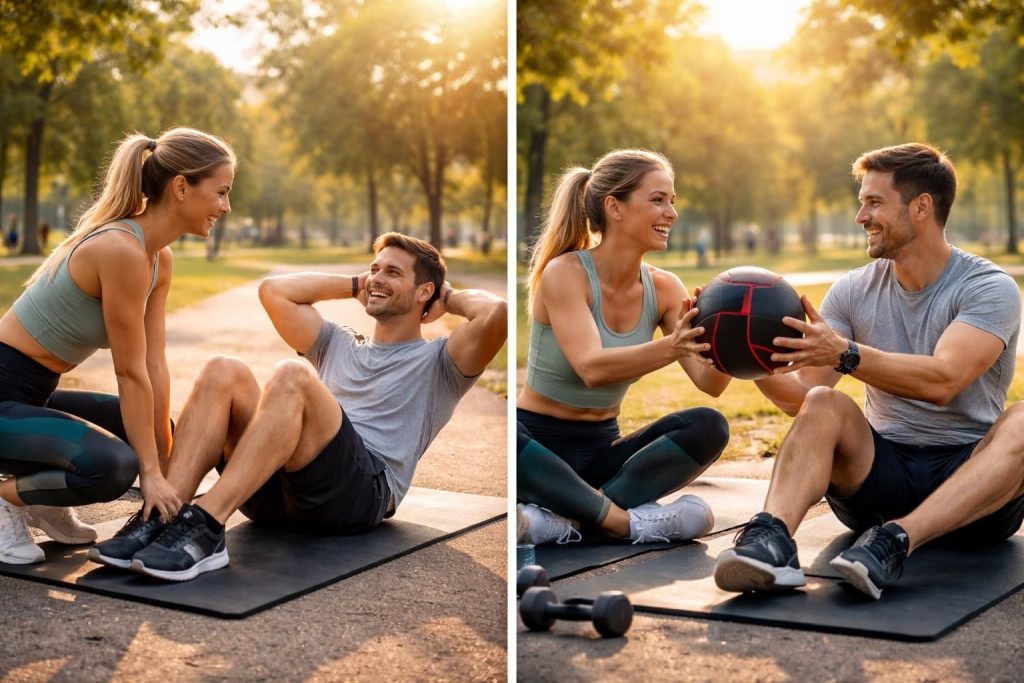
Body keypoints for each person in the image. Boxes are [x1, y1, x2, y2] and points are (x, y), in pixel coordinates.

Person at [88, 232, 507, 581]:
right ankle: (160, 516)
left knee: (293, 374)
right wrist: (359, 284)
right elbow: (274, 291)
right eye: (375, 268)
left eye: (392, 273)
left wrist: (446, 297)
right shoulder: (338, 342)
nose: (377, 278)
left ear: (424, 291)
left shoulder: (441, 362)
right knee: (224, 369)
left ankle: (206, 526)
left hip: (359, 497)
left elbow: (496, 314)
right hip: (277, 492)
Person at [714, 143, 1024, 600]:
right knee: (824, 403)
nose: (861, 216)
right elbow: (803, 396)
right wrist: (738, 356)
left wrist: (846, 354)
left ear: (922, 207)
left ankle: (898, 540)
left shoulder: (988, 288)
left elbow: (943, 381)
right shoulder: (853, 290)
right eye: (862, 202)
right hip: (878, 478)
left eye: (874, 202)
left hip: (973, 492)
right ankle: (770, 539)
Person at [0, 127, 236, 564]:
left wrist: (166, 470)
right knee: (114, 466)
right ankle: (9, 498)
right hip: (4, 393)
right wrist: (148, 473)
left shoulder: (157, 257)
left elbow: (154, 365)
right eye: (221, 193)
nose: (226, 206)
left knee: (147, 427)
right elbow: (129, 373)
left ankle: (43, 499)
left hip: (32, 395)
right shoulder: (120, 250)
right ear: (182, 187)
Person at [517, 149, 731, 548]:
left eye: (672, 201)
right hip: (536, 450)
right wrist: (672, 346)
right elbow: (592, 368)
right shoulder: (566, 273)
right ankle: (626, 524)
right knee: (505, 436)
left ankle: (559, 521)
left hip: (603, 456)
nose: (672, 213)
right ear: (614, 207)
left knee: (709, 425)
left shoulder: (665, 288)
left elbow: (710, 382)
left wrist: (733, 341)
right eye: (658, 200)